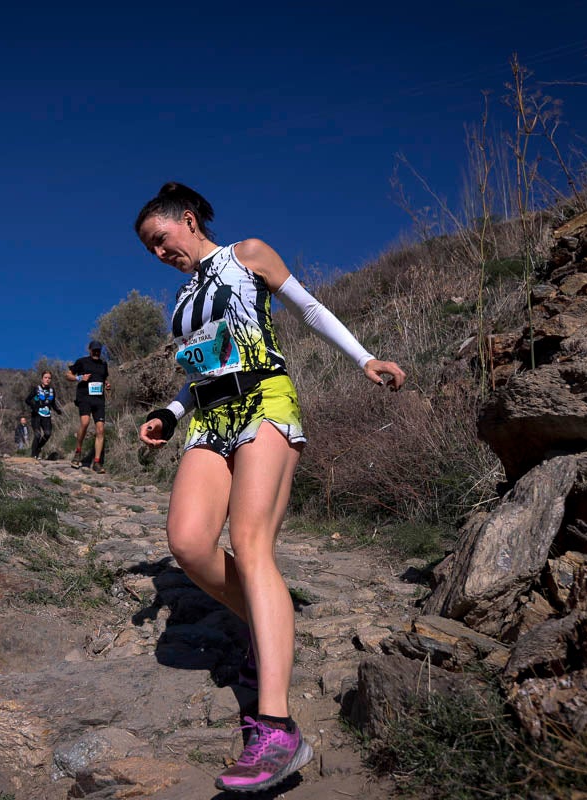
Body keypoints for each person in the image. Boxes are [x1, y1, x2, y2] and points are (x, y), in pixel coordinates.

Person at [135, 182, 406, 794]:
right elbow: (197, 368)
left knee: (252, 543)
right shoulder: (181, 298)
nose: (158, 253)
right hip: (207, 417)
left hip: (263, 399)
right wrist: (171, 415)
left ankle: (278, 727)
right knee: (188, 543)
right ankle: (270, 620)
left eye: (161, 239)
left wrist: (364, 359)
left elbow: (308, 307)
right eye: (150, 249)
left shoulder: (246, 254)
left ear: (187, 219)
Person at [66, 340, 111, 472]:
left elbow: (104, 378)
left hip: (99, 400)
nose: (96, 352)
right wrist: (79, 378)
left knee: (101, 430)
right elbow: (68, 375)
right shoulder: (82, 362)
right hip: (84, 397)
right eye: (94, 350)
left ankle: (97, 462)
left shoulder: (103, 364)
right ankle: (78, 452)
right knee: (85, 423)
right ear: (90, 350)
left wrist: (107, 385)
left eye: (98, 350)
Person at [25, 370, 63, 460]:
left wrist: (57, 410)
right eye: (45, 378)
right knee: (37, 435)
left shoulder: (51, 390)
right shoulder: (36, 389)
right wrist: (34, 406)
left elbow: (53, 403)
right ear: (42, 379)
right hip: (36, 415)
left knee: (48, 434)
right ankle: (34, 455)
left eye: (49, 378)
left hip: (46, 415)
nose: (47, 380)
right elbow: (27, 400)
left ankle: (38, 448)